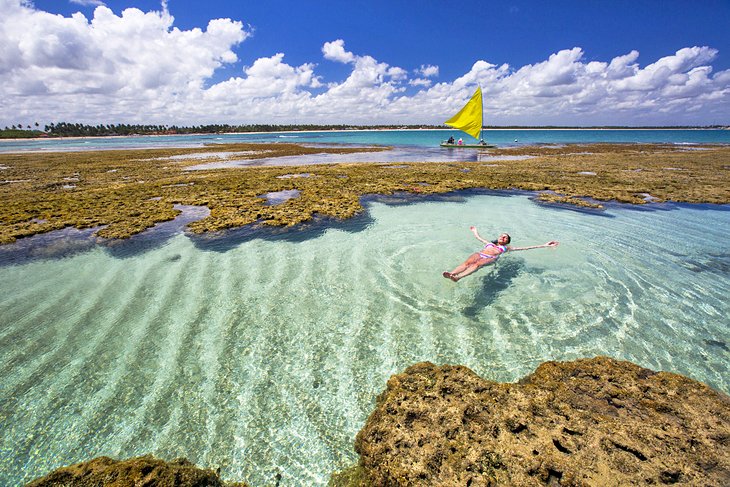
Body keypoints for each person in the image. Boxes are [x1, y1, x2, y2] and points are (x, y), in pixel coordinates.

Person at [442, 227, 559, 282]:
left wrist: (545, 245)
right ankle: (452, 273)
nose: (503, 237)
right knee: (467, 263)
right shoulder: (489, 243)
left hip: (491, 258)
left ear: (507, 241)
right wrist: (475, 231)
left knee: (476, 265)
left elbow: (525, 248)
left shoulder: (506, 248)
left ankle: (458, 277)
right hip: (480, 253)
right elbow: (478, 238)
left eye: (505, 237)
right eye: (502, 235)